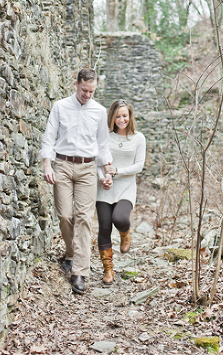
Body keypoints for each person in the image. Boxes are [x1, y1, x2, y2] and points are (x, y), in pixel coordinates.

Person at [41, 68, 112, 294]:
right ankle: (71, 253)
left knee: (84, 218)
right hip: (62, 165)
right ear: (76, 84)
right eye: (84, 90)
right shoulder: (61, 106)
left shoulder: (100, 112)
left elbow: (102, 145)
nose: (87, 95)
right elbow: (49, 136)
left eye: (91, 91)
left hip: (88, 169)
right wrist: (46, 165)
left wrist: (106, 172)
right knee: (64, 215)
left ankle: (80, 272)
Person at [96, 99, 145, 285]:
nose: (121, 119)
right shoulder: (104, 137)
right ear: (112, 117)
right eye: (118, 116)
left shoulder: (138, 138)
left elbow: (139, 165)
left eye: (124, 115)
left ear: (130, 116)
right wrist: (102, 177)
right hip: (104, 188)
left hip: (126, 187)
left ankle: (125, 234)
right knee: (105, 227)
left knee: (120, 218)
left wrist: (118, 171)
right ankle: (108, 269)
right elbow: (97, 161)